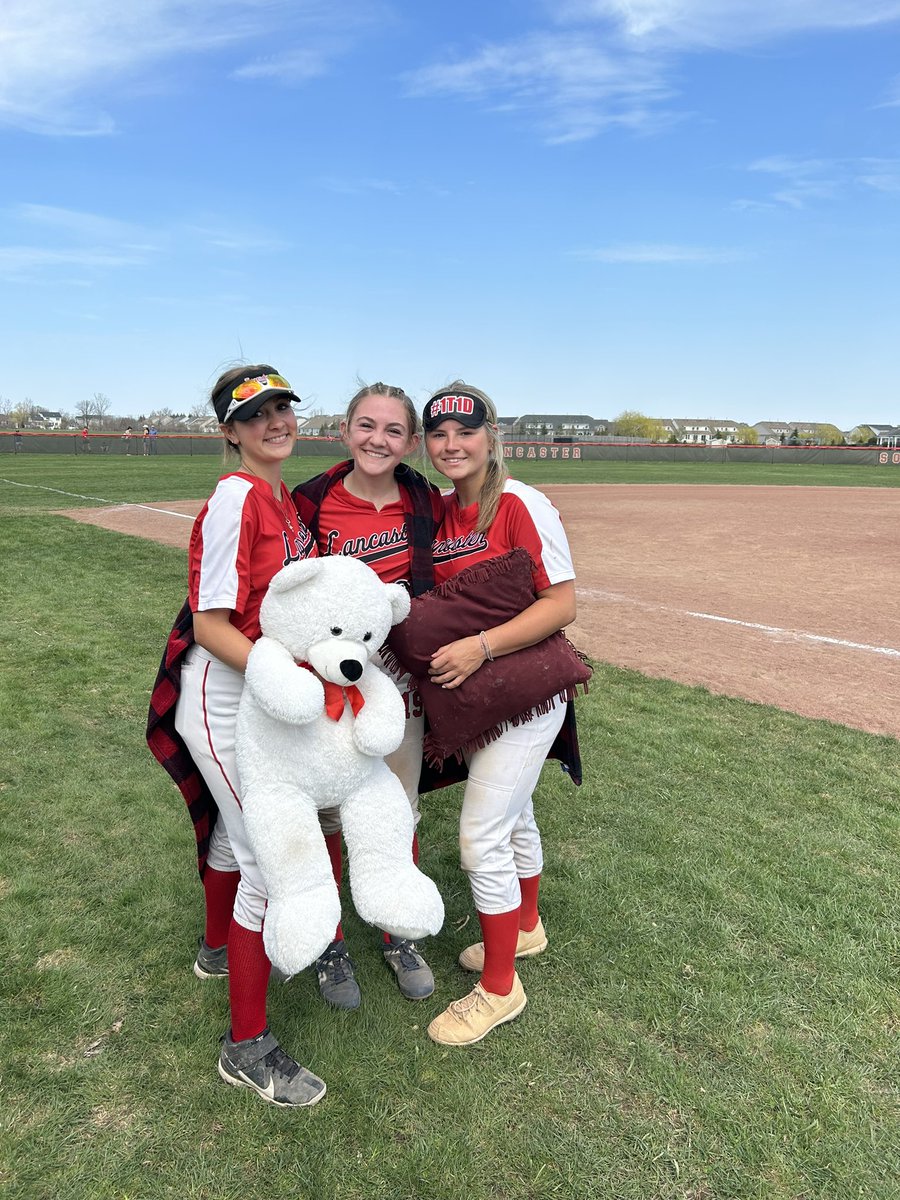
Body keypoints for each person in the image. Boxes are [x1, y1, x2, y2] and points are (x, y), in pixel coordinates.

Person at [146, 365, 326, 1108]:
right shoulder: (234, 498)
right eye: (255, 416)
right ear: (229, 430)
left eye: (282, 408)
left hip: (254, 688)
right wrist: (287, 681)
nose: (274, 423)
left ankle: (219, 949)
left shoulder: (278, 494)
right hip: (226, 694)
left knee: (233, 834)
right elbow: (214, 625)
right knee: (266, 857)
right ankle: (246, 1047)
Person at [420, 382, 578, 1047]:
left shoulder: (519, 503)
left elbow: (561, 603)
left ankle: (500, 989)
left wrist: (480, 645)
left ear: (491, 436)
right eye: (439, 434)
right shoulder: (444, 511)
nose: (452, 445)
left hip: (524, 688)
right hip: (482, 693)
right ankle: (528, 925)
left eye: (465, 431)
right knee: (516, 816)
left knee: (480, 836)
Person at [292, 382, 444, 1010]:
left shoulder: (424, 502)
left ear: (410, 442)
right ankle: (330, 941)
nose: (377, 440)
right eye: (365, 425)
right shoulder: (311, 502)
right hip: (328, 690)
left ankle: (397, 929)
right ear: (344, 431)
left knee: (396, 806)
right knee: (327, 812)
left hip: (399, 685)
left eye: (392, 430)